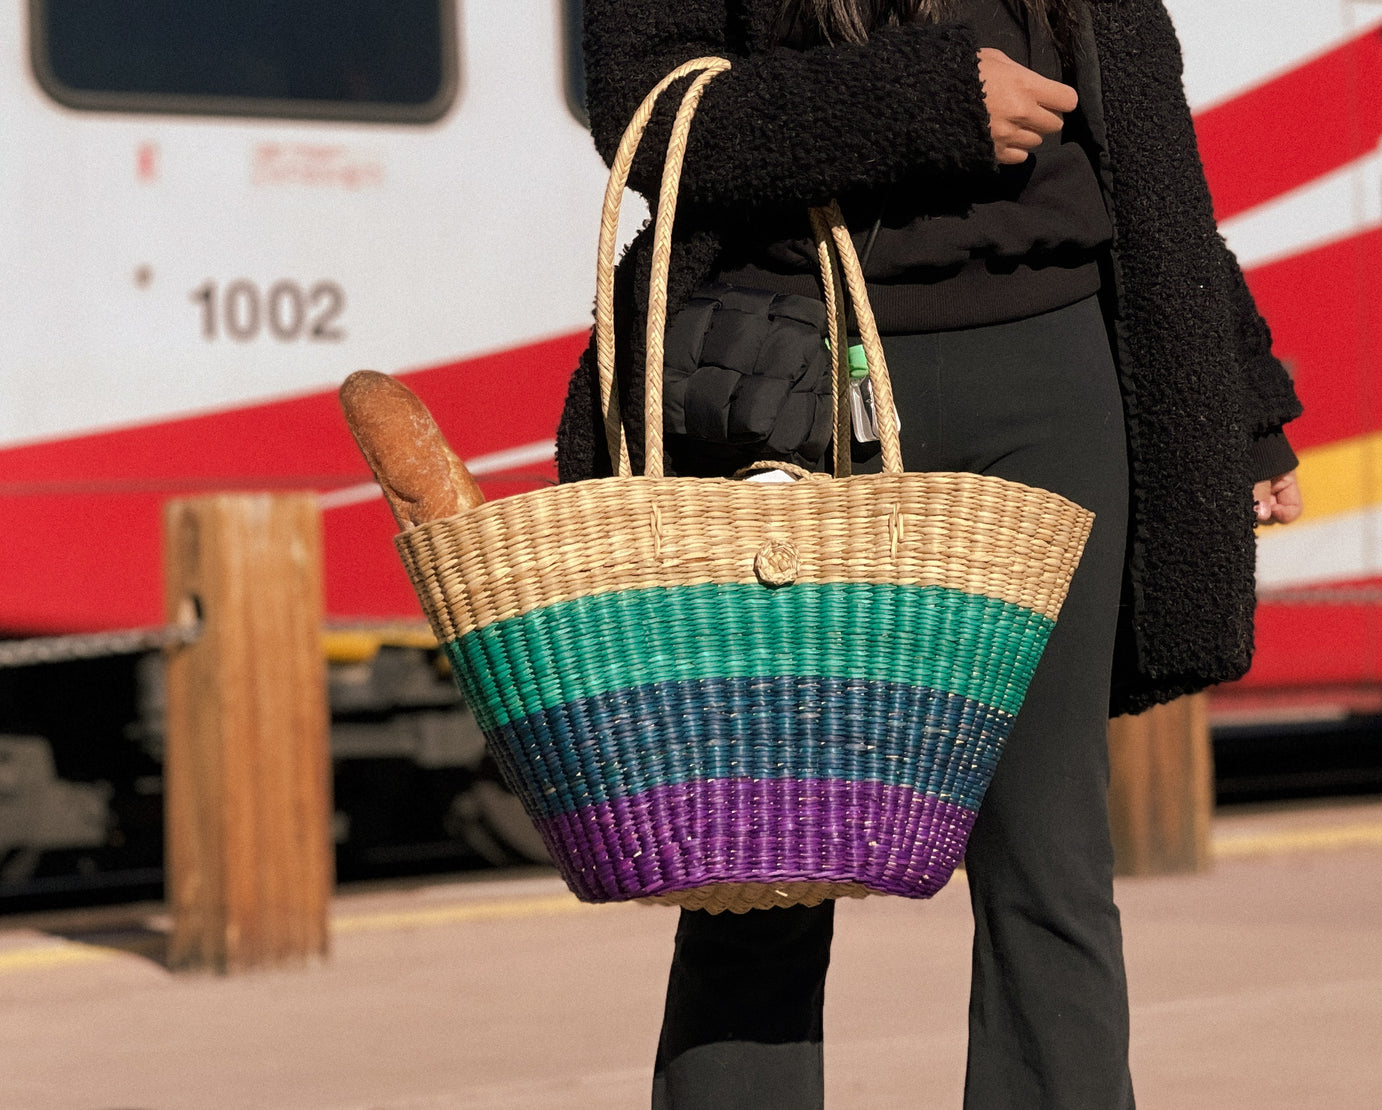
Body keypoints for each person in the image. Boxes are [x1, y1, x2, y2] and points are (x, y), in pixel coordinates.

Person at [554, 1, 1304, 1107]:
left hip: (1058, 378)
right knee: (761, 867)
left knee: (1054, 869)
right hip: (797, 383)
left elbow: (1142, 147)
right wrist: (926, 102)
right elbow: (649, 113)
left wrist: (1239, 398)